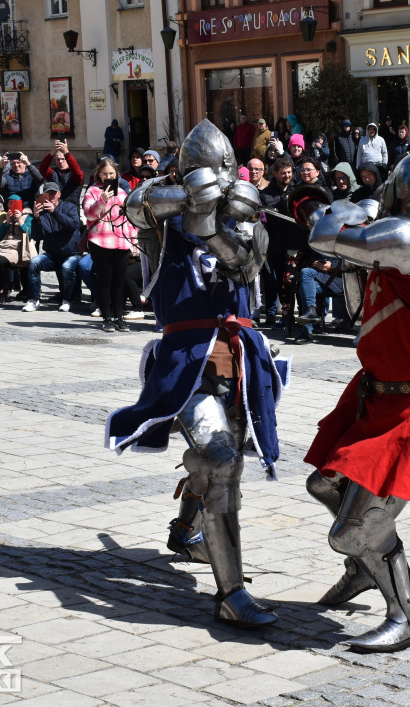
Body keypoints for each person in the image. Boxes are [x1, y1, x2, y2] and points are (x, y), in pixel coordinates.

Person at [109, 119, 285, 628]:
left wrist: (219, 222)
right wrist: (190, 199)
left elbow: (245, 268)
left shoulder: (245, 218)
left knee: (223, 456)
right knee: (221, 458)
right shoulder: (161, 219)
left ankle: (186, 530)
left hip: (239, 355)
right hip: (187, 360)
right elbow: (135, 203)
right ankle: (231, 594)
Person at [303, 145, 410, 653]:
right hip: (379, 398)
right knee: (323, 485)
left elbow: (323, 236)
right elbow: (360, 303)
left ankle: (407, 613)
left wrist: (349, 211)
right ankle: (365, 567)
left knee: (352, 530)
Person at [82, 158, 138, 332]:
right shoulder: (92, 190)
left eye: (111, 173)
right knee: (105, 282)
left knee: (119, 282)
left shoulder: (122, 192)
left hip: (120, 241)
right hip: (100, 241)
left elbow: (128, 219)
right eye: (104, 173)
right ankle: (107, 317)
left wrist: (134, 240)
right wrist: (102, 199)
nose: (108, 176)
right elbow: (89, 214)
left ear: (116, 174)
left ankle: (119, 316)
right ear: (99, 173)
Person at [23, 182, 82, 313]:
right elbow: (38, 236)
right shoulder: (43, 213)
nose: (51, 196)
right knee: (34, 263)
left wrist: (54, 212)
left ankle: (67, 299)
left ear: (59, 194)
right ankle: (34, 300)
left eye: (53, 193)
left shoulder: (69, 207)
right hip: (53, 254)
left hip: (71, 253)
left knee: (67, 267)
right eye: (48, 194)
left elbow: (73, 225)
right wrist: (36, 218)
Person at [0, 195, 32, 303]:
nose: (11, 205)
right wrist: (7, 222)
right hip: (3, 245)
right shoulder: (6, 216)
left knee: (0, 262)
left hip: (17, 247)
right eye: (9, 203)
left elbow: (30, 234)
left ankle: (3, 290)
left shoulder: (27, 216)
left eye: (13, 203)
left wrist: (20, 220)